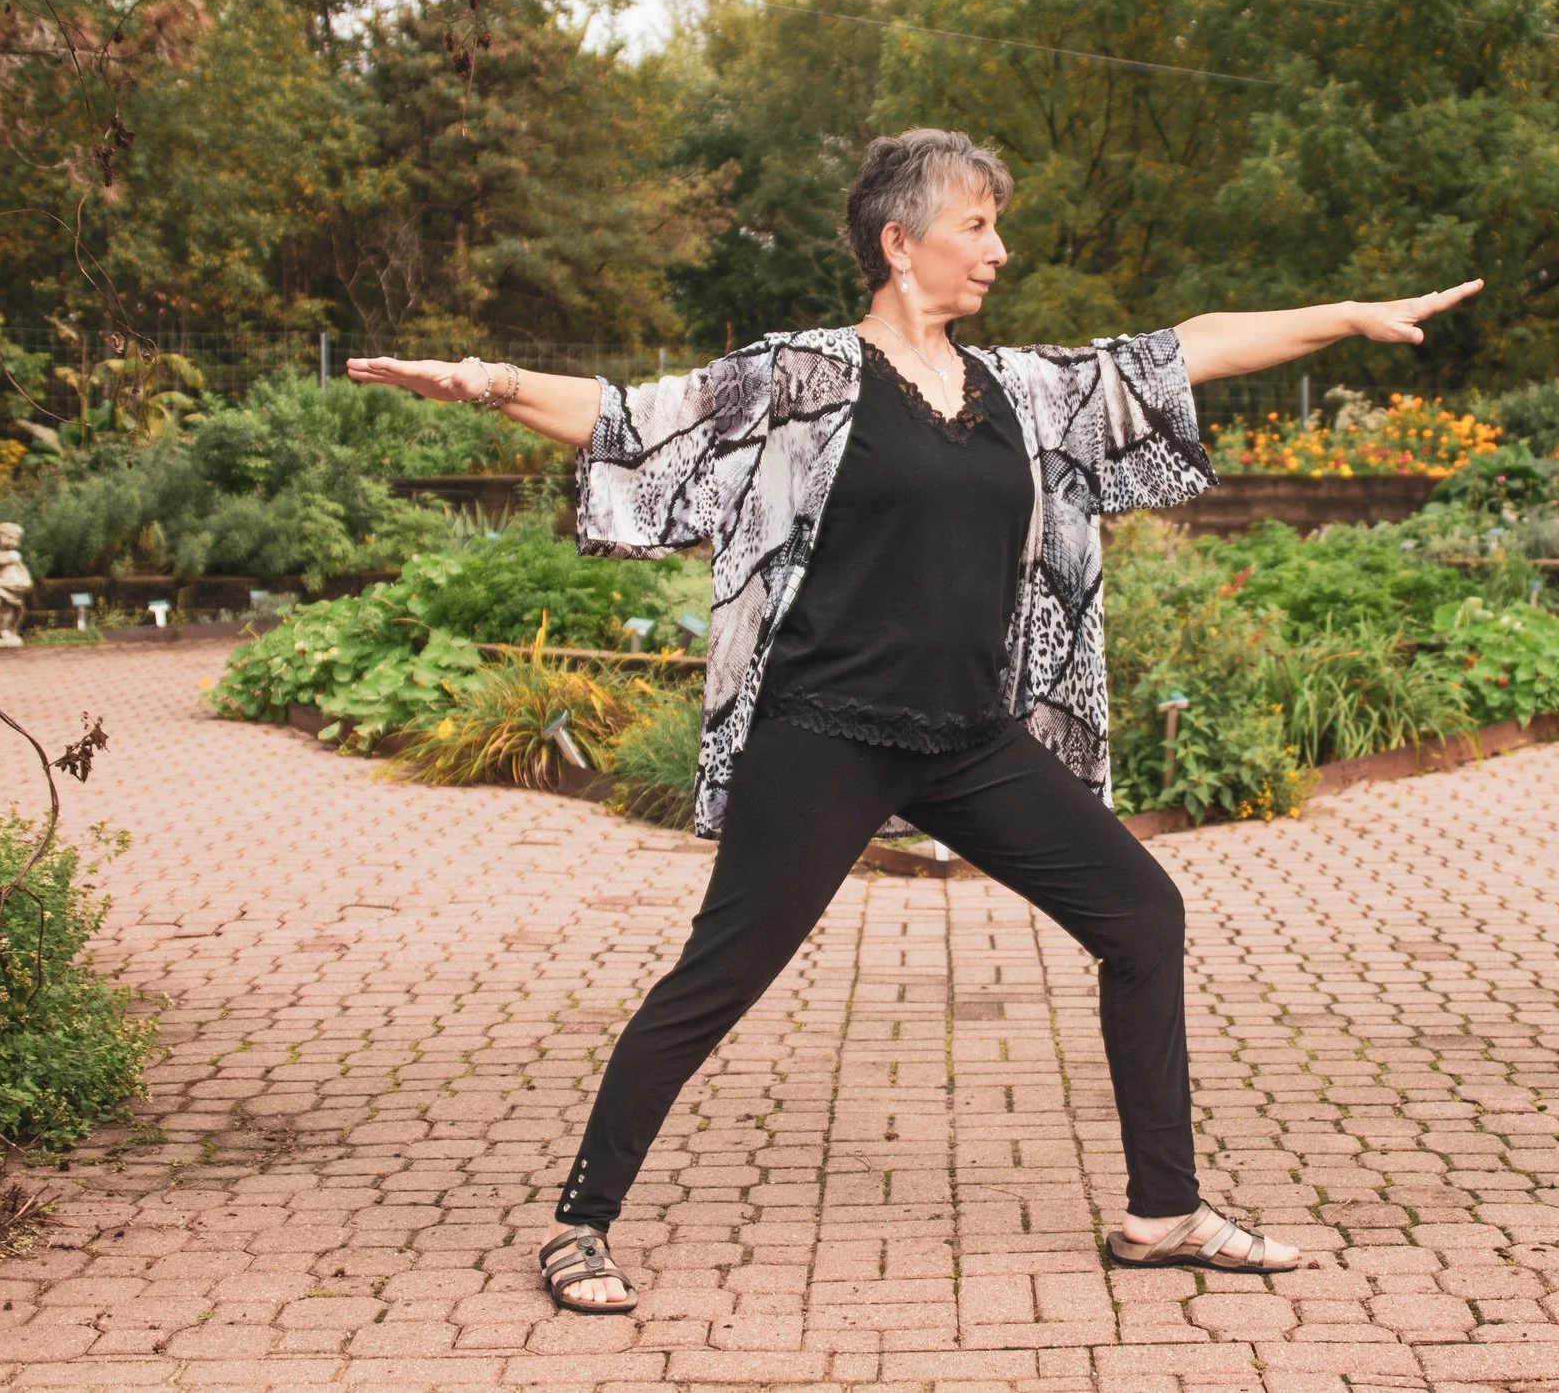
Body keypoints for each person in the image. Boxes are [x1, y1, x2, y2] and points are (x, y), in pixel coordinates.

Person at [349, 128, 1482, 1314]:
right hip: (824, 732)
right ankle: (581, 1223)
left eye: (995, 223)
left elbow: (1185, 348)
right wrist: (485, 383)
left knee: (1143, 915)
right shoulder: (806, 376)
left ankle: (1165, 1212)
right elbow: (636, 417)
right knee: (719, 976)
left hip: (970, 737)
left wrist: (1350, 313)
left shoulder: (1023, 392)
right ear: (900, 244)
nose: (997, 248)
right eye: (975, 224)